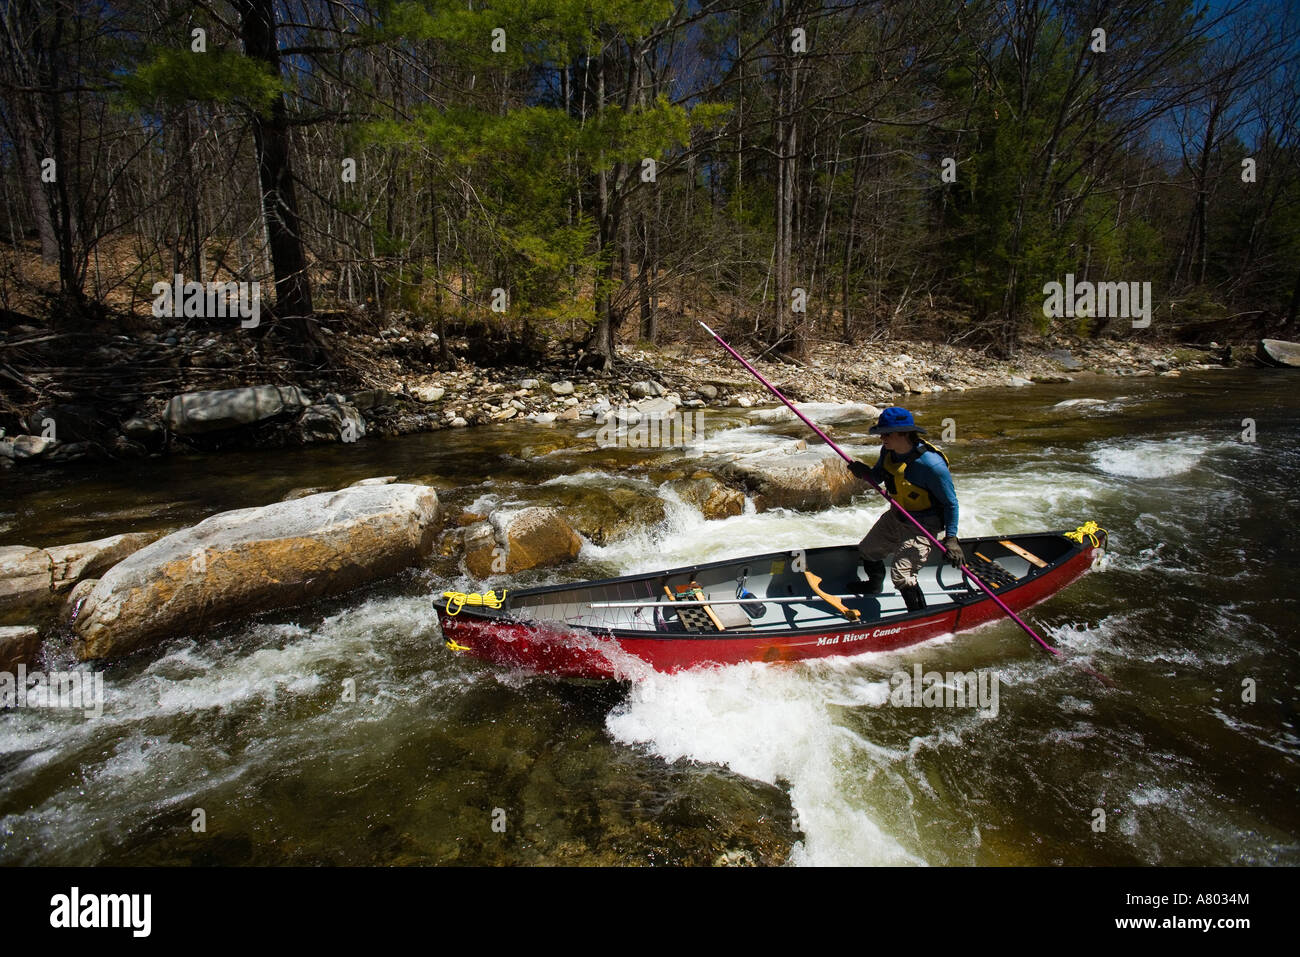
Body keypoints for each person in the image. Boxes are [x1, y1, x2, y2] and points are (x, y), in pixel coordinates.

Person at [846, 407, 963, 612]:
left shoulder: (931, 466)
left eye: (887, 433)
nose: (882, 437)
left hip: (923, 524)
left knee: (902, 575)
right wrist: (863, 472)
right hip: (897, 514)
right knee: (868, 550)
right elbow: (878, 477)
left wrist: (951, 539)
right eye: (881, 433)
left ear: (904, 433)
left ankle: (919, 615)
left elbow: (951, 503)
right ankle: (873, 586)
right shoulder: (888, 451)